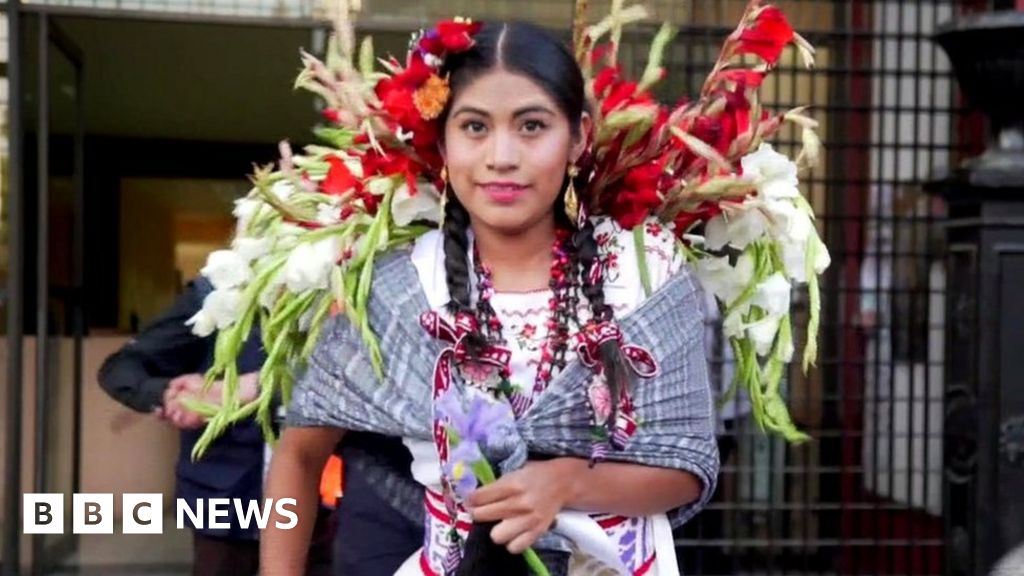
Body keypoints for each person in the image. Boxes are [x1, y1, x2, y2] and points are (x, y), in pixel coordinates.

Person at [261, 21, 719, 576]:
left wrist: (570, 481)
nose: (502, 156)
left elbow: (688, 468)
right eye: (474, 126)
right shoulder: (395, 287)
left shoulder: (643, 269)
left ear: (577, 137)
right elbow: (299, 452)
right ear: (443, 141)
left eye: (532, 126)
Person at [97, 275, 335, 576]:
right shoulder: (217, 290)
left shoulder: (344, 286)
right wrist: (171, 395)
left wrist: (243, 391)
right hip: (226, 498)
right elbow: (122, 367)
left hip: (327, 502)